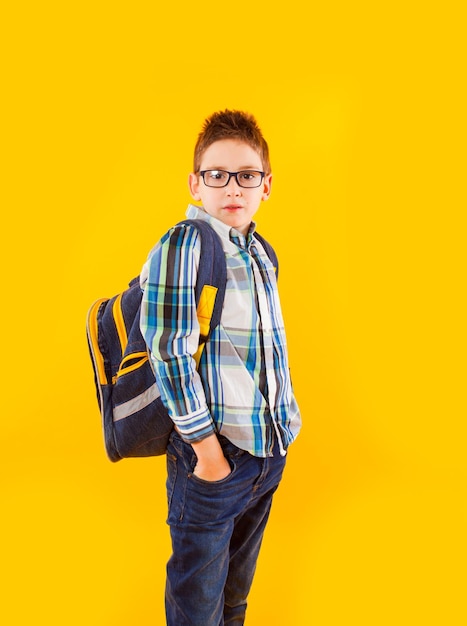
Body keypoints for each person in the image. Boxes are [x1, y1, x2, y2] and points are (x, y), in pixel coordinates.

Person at [140, 109, 301, 625]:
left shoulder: (260, 251)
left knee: (234, 596)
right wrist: (208, 455)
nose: (232, 187)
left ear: (266, 185)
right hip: (214, 457)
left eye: (247, 175)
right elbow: (168, 351)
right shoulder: (185, 244)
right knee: (197, 606)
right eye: (217, 174)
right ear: (195, 183)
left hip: (265, 453)